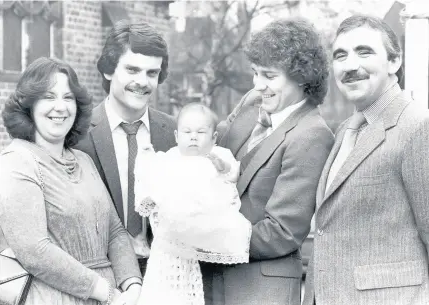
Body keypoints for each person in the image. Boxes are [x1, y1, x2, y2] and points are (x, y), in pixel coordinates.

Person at [206, 18, 335, 305]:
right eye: (254, 73)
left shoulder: (312, 135)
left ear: (302, 77)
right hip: (210, 282)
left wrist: (206, 236)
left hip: (260, 290)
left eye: (269, 75)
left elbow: (282, 233)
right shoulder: (254, 103)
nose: (257, 84)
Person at [303, 15, 429, 305]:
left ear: (394, 61)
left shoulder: (418, 127)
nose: (350, 65)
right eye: (340, 56)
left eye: (364, 52)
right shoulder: (345, 131)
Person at [0, 57, 142, 305]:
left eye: (68, 98)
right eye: (48, 97)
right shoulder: (17, 161)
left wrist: (132, 285)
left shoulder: (83, 160)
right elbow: (34, 251)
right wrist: (107, 293)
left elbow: (115, 231)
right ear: (28, 106)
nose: (60, 107)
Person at [75, 20, 176, 275]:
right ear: (109, 70)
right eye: (132, 69)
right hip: (99, 277)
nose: (142, 82)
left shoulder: (176, 134)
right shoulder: (77, 135)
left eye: (152, 73)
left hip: (164, 278)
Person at [134, 103, 251, 305]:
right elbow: (153, 181)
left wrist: (223, 168)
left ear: (214, 138)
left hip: (207, 226)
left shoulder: (218, 155)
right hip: (173, 233)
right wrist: (146, 158)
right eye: (187, 132)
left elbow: (231, 176)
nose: (193, 137)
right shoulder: (171, 158)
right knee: (166, 285)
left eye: (201, 132)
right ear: (177, 136)